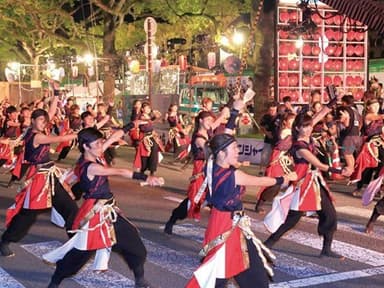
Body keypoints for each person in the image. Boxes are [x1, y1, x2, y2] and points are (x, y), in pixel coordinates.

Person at [44, 127, 164, 288]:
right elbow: (120, 171)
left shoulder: (95, 154)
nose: (102, 146)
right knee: (80, 254)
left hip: (109, 211)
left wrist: (130, 126)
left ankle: (140, 280)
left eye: (101, 143)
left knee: (135, 246)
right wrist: (146, 177)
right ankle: (55, 281)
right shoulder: (90, 167)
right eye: (98, 143)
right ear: (86, 146)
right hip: (96, 215)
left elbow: (113, 137)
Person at [186, 131, 297, 288]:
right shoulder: (233, 175)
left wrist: (234, 112)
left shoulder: (210, 167)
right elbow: (260, 181)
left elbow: (223, 137)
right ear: (222, 153)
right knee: (217, 273)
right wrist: (284, 178)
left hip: (226, 224)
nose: (238, 151)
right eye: (234, 148)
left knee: (227, 270)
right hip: (227, 227)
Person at [263, 104, 352, 259]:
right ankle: (267, 244)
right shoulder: (298, 145)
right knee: (292, 219)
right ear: (297, 128)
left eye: (310, 126)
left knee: (329, 214)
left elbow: (319, 115)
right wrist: (340, 170)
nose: (309, 128)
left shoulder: (307, 136)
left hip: (314, 181)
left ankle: (326, 249)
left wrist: (331, 103)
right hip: (302, 183)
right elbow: (318, 164)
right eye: (305, 127)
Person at [0, 85, 79, 257]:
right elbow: (58, 138)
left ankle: (76, 243)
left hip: (50, 176)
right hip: (38, 179)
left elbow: (50, 113)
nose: (45, 122)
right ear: (34, 121)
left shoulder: (36, 129)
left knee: (70, 208)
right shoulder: (36, 136)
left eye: (45, 120)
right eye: (41, 120)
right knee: (28, 215)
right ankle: (5, 241)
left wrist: (56, 94)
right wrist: (77, 135)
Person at [164, 111, 214, 234]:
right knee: (194, 200)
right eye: (208, 120)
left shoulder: (208, 131)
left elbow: (224, 116)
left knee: (218, 198)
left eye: (211, 120)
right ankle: (174, 218)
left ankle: (220, 228)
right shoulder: (198, 138)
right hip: (201, 171)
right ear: (201, 121)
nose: (210, 122)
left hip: (212, 169)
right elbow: (210, 153)